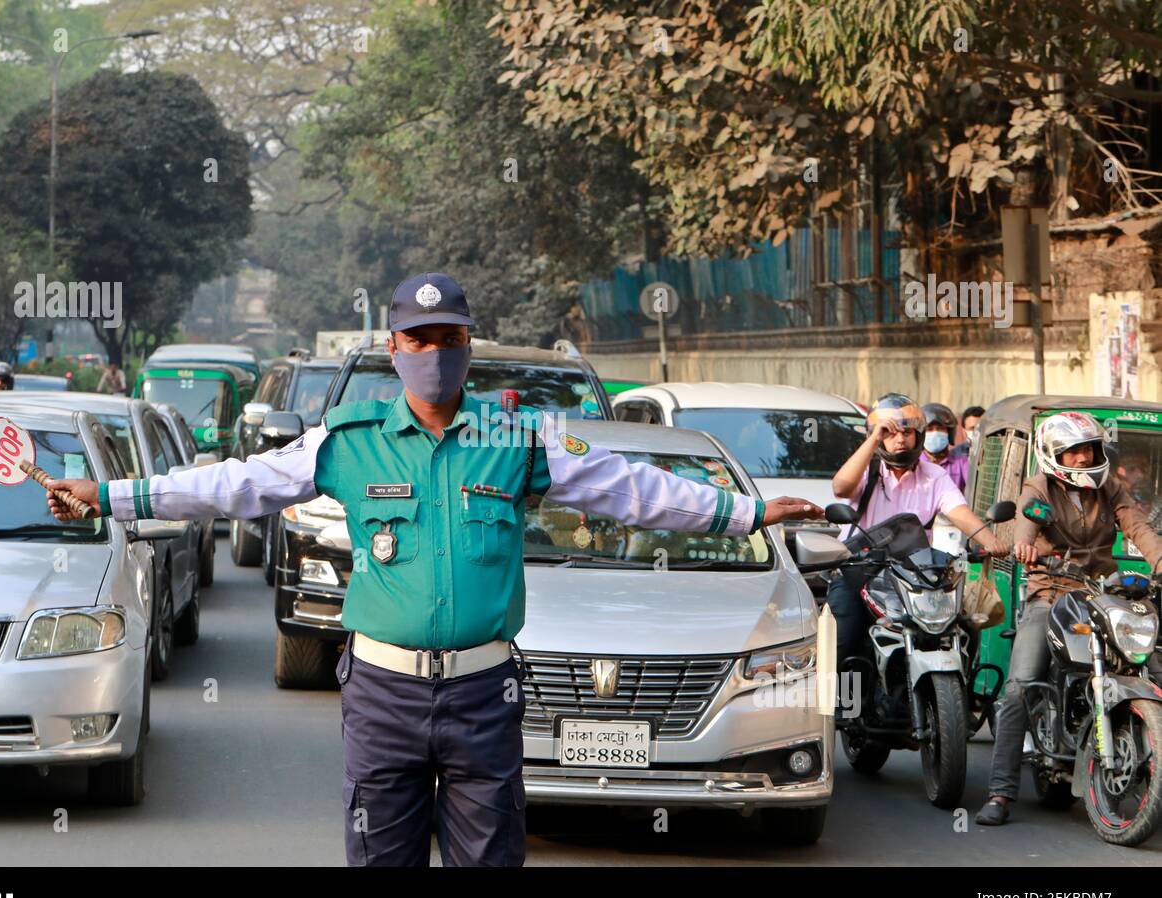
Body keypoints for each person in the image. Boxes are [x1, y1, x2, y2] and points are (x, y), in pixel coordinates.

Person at [42, 272, 822, 867]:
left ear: (469, 345)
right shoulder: (346, 442)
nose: (434, 354)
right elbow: (232, 484)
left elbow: (631, 489)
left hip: (484, 693)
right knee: (382, 857)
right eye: (418, 339)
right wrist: (109, 494)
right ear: (394, 349)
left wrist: (746, 513)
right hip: (383, 694)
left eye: (449, 337)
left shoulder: (518, 438)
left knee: (490, 860)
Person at [976, 412, 1162, 826]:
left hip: (1101, 593)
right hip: (1052, 592)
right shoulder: (1038, 486)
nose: (1082, 458)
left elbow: (1138, 527)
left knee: (1151, 665)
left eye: (1089, 449)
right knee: (1020, 686)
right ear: (1054, 455)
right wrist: (1024, 547)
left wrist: (1161, 560)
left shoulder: (1109, 487)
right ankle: (1000, 793)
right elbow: (1027, 517)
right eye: (1074, 451)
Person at [828, 394, 1005, 688]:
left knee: (961, 628)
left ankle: (959, 694)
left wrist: (990, 540)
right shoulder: (869, 471)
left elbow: (959, 512)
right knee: (843, 638)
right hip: (860, 571)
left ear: (918, 436)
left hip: (914, 574)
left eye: (907, 432)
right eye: (890, 432)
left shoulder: (933, 476)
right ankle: (840, 710)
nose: (899, 440)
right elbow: (841, 487)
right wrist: (874, 438)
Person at [922, 402, 968, 492]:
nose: (935, 433)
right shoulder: (913, 465)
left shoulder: (961, 463)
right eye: (929, 429)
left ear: (949, 433)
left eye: (940, 428)